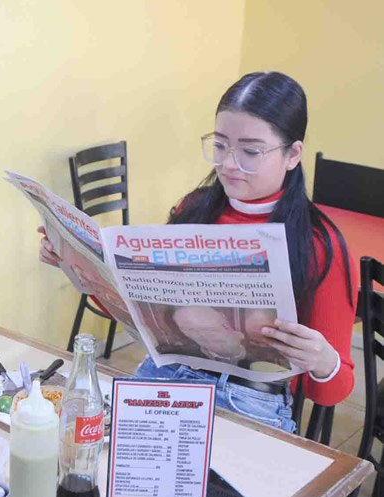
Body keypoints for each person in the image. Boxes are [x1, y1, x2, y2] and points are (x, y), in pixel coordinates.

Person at [40, 72, 355, 432]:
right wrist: (80, 268)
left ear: (292, 154)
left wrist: (323, 359)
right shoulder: (194, 209)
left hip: (249, 400)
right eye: (220, 145)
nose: (229, 164)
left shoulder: (318, 243)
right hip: (162, 379)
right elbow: (140, 314)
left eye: (251, 151)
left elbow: (333, 392)